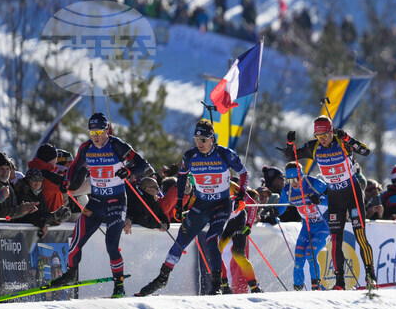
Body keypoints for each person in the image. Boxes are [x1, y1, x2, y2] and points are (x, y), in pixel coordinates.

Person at [135, 119, 248, 296]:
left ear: (212, 139)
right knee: (181, 239)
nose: (199, 143)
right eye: (196, 139)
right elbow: (181, 178)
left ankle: (217, 284)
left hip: (221, 204)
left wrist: (241, 194)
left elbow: (244, 173)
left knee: (212, 239)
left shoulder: (226, 154)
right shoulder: (190, 156)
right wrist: (179, 203)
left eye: (203, 140)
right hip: (202, 204)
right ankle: (163, 277)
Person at [48, 112, 150, 298]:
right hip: (96, 201)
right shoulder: (86, 148)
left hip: (116, 202)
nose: (95, 136)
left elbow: (143, 165)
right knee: (76, 241)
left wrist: (129, 171)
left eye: (99, 132)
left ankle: (119, 286)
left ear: (106, 131)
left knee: (111, 245)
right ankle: (70, 274)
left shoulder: (117, 145)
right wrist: (67, 182)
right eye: (92, 132)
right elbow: (74, 167)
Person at [295, 116, 376, 290]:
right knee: (335, 239)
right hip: (335, 198)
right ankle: (339, 282)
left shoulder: (342, 141)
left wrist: (349, 139)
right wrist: (289, 144)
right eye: (319, 136)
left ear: (331, 132)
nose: (322, 139)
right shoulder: (314, 146)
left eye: (325, 135)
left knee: (360, 236)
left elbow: (365, 151)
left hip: (353, 194)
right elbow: (292, 155)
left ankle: (371, 277)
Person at [282, 161, 329, 291]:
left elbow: (334, 197)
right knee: (298, 258)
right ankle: (297, 289)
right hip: (307, 226)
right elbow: (281, 206)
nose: (294, 182)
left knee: (310, 253)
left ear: (302, 176)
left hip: (324, 225)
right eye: (291, 180)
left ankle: (315, 286)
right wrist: (274, 212)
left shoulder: (313, 183)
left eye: (297, 178)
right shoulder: (287, 190)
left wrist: (320, 200)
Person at [217, 184, 261, 293]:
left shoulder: (232, 186)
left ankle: (254, 286)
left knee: (238, 255)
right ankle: (224, 285)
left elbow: (253, 205)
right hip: (224, 223)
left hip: (238, 221)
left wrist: (249, 224)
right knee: (216, 252)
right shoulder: (207, 187)